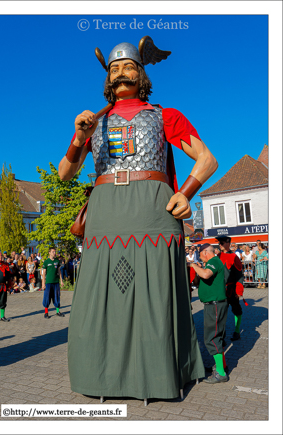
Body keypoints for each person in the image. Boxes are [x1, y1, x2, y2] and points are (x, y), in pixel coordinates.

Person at [58, 37, 218, 402]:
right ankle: (99, 375)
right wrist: (78, 138)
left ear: (142, 73)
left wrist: (186, 191)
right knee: (102, 294)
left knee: (154, 293)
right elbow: (67, 173)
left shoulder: (165, 115)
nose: (120, 73)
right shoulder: (90, 123)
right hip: (105, 214)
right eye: (114, 68)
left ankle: (157, 375)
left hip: (152, 211)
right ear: (107, 80)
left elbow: (207, 159)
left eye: (128, 66)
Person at [190, 244, 228, 383]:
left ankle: (221, 373)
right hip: (213, 304)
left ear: (205, 252)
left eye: (200, 253)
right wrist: (197, 269)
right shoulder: (210, 263)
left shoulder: (214, 261)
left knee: (212, 338)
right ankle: (220, 366)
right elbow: (197, 282)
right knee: (217, 336)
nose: (198, 255)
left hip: (215, 304)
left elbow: (206, 275)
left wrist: (194, 265)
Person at [215, 236, 245, 341]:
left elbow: (239, 275)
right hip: (220, 290)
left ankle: (237, 331)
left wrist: (239, 291)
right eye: (219, 243)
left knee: (237, 310)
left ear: (228, 243)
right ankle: (221, 335)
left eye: (222, 243)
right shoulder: (217, 256)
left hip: (232, 290)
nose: (220, 245)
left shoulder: (234, 257)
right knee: (221, 313)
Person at [42, 247, 65, 318]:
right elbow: (44, 274)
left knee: (56, 297)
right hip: (48, 283)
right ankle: (46, 313)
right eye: (53, 252)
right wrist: (43, 283)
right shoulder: (46, 262)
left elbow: (59, 271)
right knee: (47, 297)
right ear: (49, 252)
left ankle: (57, 312)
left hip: (56, 282)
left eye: (55, 252)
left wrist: (61, 281)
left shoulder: (57, 261)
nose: (54, 253)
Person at [0, 250, 10, 321]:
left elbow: (8, 277)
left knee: (2, 301)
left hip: (3, 286)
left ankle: (2, 316)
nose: (0, 257)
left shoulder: (5, 265)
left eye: (1, 256)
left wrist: (9, 286)